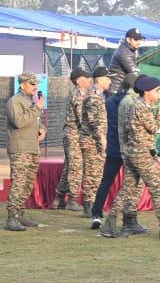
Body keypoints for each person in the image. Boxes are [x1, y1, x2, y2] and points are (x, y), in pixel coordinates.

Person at [100, 75, 160, 239]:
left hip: (133, 153)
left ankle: (110, 223)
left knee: (127, 189)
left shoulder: (137, 104)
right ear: (146, 92)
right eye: (157, 90)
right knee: (157, 190)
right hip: (143, 154)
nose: (159, 94)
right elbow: (154, 128)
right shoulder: (141, 107)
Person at [90, 72, 136, 230]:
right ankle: (128, 218)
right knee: (131, 184)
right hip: (128, 148)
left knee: (106, 182)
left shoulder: (109, 101)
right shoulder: (132, 103)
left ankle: (96, 214)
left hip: (113, 147)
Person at [4, 72, 45, 231]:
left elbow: (35, 121)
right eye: (32, 84)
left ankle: (19, 214)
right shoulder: (15, 101)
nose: (36, 87)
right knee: (19, 183)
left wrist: (42, 129)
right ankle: (11, 217)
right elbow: (19, 122)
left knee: (28, 184)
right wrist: (36, 108)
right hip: (20, 149)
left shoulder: (30, 101)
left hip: (32, 148)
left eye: (37, 84)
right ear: (22, 84)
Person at [52, 69, 92, 210]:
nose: (89, 80)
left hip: (71, 134)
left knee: (69, 167)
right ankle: (73, 200)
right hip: (74, 134)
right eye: (86, 78)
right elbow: (82, 118)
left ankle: (58, 198)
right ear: (79, 80)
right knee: (76, 167)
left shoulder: (77, 93)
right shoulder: (79, 95)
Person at [78, 66, 110, 220]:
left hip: (95, 139)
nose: (110, 81)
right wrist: (101, 137)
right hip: (91, 140)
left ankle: (94, 205)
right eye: (108, 78)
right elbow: (93, 119)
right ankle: (89, 205)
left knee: (96, 173)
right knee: (92, 173)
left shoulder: (99, 95)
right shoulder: (93, 96)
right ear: (100, 79)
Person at [106, 28, 142, 95]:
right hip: (116, 90)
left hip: (120, 89)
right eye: (136, 40)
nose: (139, 42)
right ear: (128, 39)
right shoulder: (124, 52)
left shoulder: (131, 49)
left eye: (140, 39)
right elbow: (134, 72)